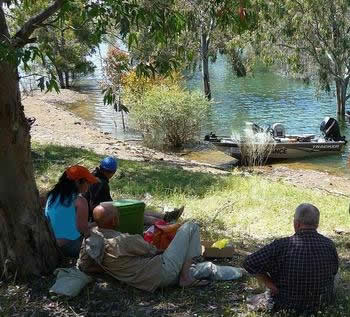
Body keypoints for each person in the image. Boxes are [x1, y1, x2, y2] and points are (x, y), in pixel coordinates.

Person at [77, 206, 209, 292]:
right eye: (118, 215)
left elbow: (84, 265)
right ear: (115, 221)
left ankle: (186, 272)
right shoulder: (124, 241)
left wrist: (114, 270)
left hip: (140, 281)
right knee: (191, 226)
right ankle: (187, 277)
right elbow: (153, 250)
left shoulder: (90, 239)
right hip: (162, 273)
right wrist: (173, 246)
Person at [243, 203, 339, 314]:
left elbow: (249, 262)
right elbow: (334, 270)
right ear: (317, 224)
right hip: (320, 305)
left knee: (252, 300)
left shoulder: (281, 245)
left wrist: (270, 284)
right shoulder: (329, 245)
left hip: (284, 304)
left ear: (297, 223)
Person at [84, 156, 184, 225]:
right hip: (98, 217)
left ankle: (165, 216)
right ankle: (163, 222)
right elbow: (94, 206)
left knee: (136, 209)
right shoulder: (101, 183)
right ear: (112, 172)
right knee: (135, 215)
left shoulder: (93, 175)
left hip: (101, 211)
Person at [45, 165, 99, 258]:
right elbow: (82, 229)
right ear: (78, 182)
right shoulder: (80, 201)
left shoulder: (52, 196)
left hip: (49, 244)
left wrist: (93, 224)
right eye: (88, 182)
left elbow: (67, 223)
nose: (89, 186)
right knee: (102, 245)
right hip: (68, 246)